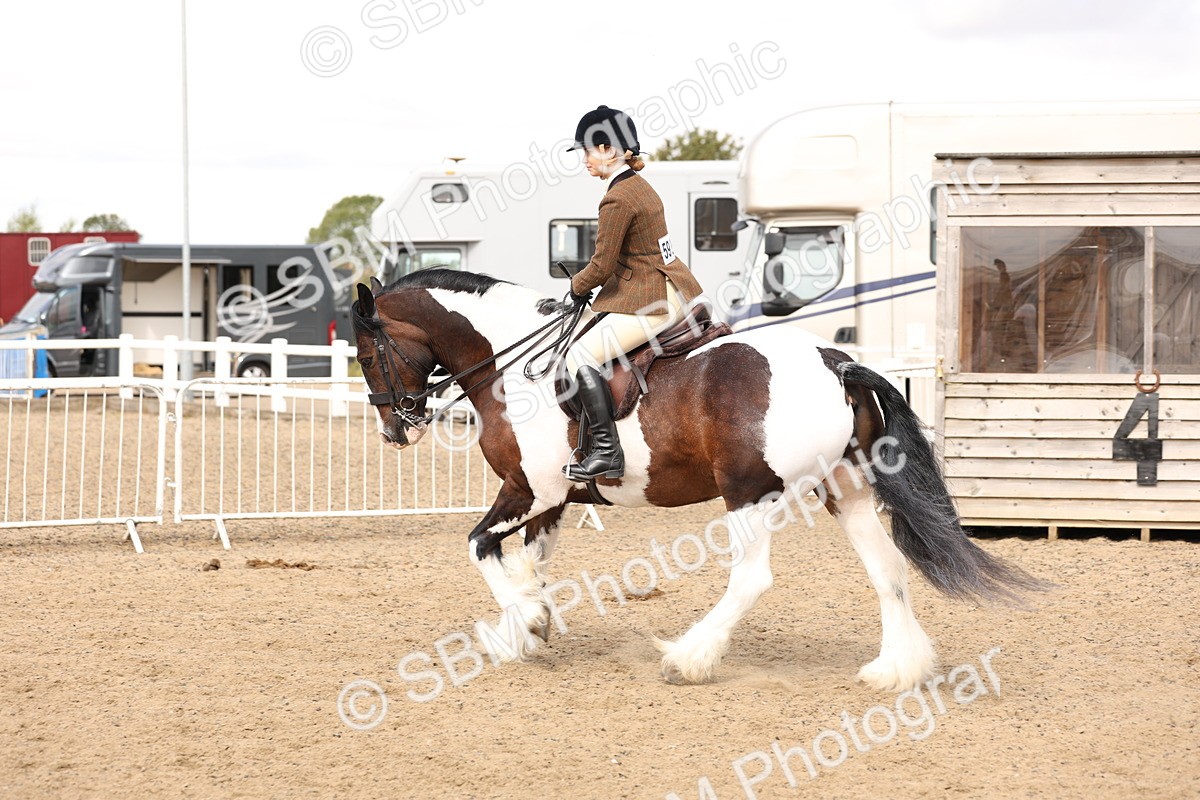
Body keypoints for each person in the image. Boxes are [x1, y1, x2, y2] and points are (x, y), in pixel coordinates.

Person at [561, 105, 704, 482]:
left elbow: (602, 264)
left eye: (588, 151)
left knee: (579, 355)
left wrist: (575, 288)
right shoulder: (640, 187)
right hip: (668, 290)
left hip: (652, 300)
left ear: (608, 150)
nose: (585, 160)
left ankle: (607, 452)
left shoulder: (618, 198)